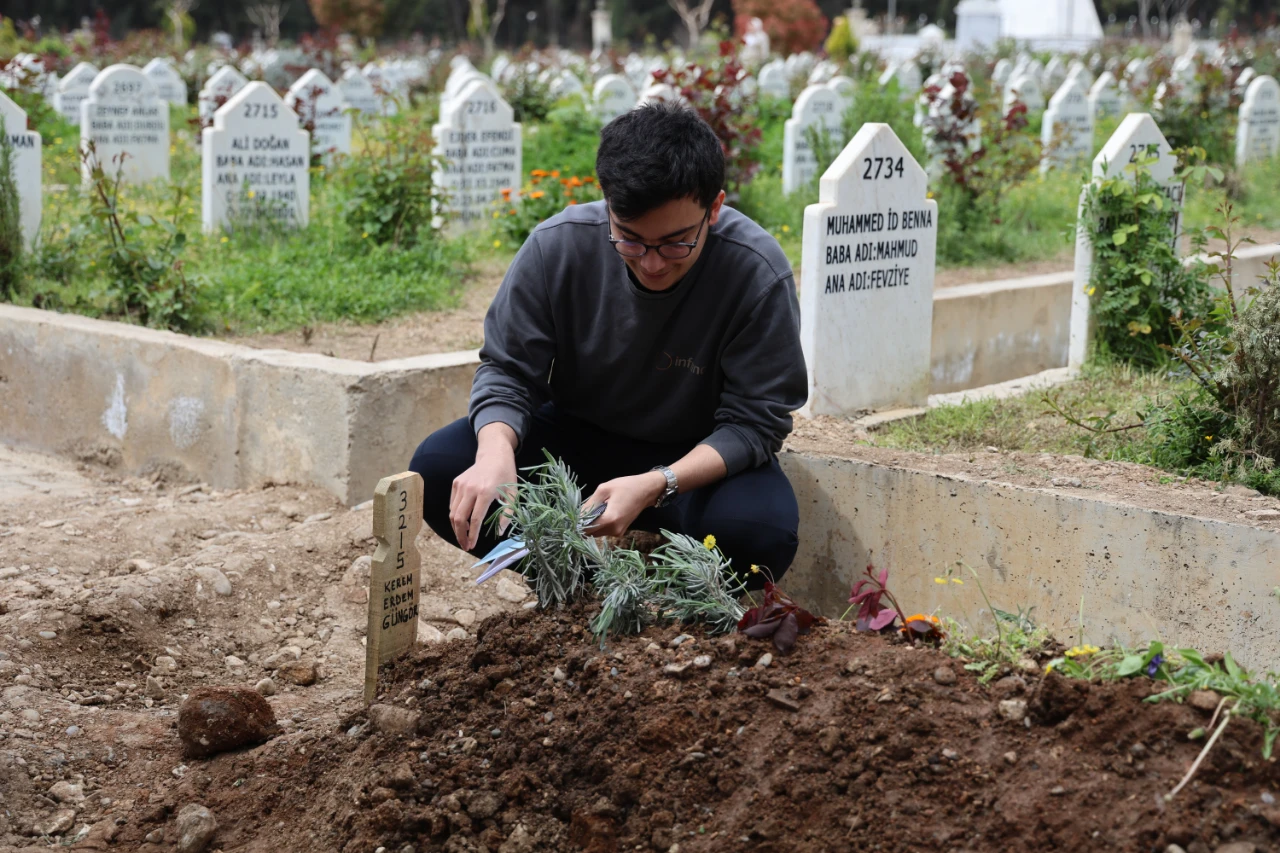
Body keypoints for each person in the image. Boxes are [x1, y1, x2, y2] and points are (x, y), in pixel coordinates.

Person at [409, 101, 807, 587]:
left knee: (760, 534)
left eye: (677, 242)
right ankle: (579, 585)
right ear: (607, 204)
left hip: (693, 461)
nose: (653, 263)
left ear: (715, 208)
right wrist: (496, 453)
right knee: (439, 468)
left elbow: (756, 422)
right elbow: (508, 371)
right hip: (577, 442)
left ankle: (675, 597)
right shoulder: (557, 247)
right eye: (631, 240)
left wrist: (656, 483)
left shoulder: (755, 271)